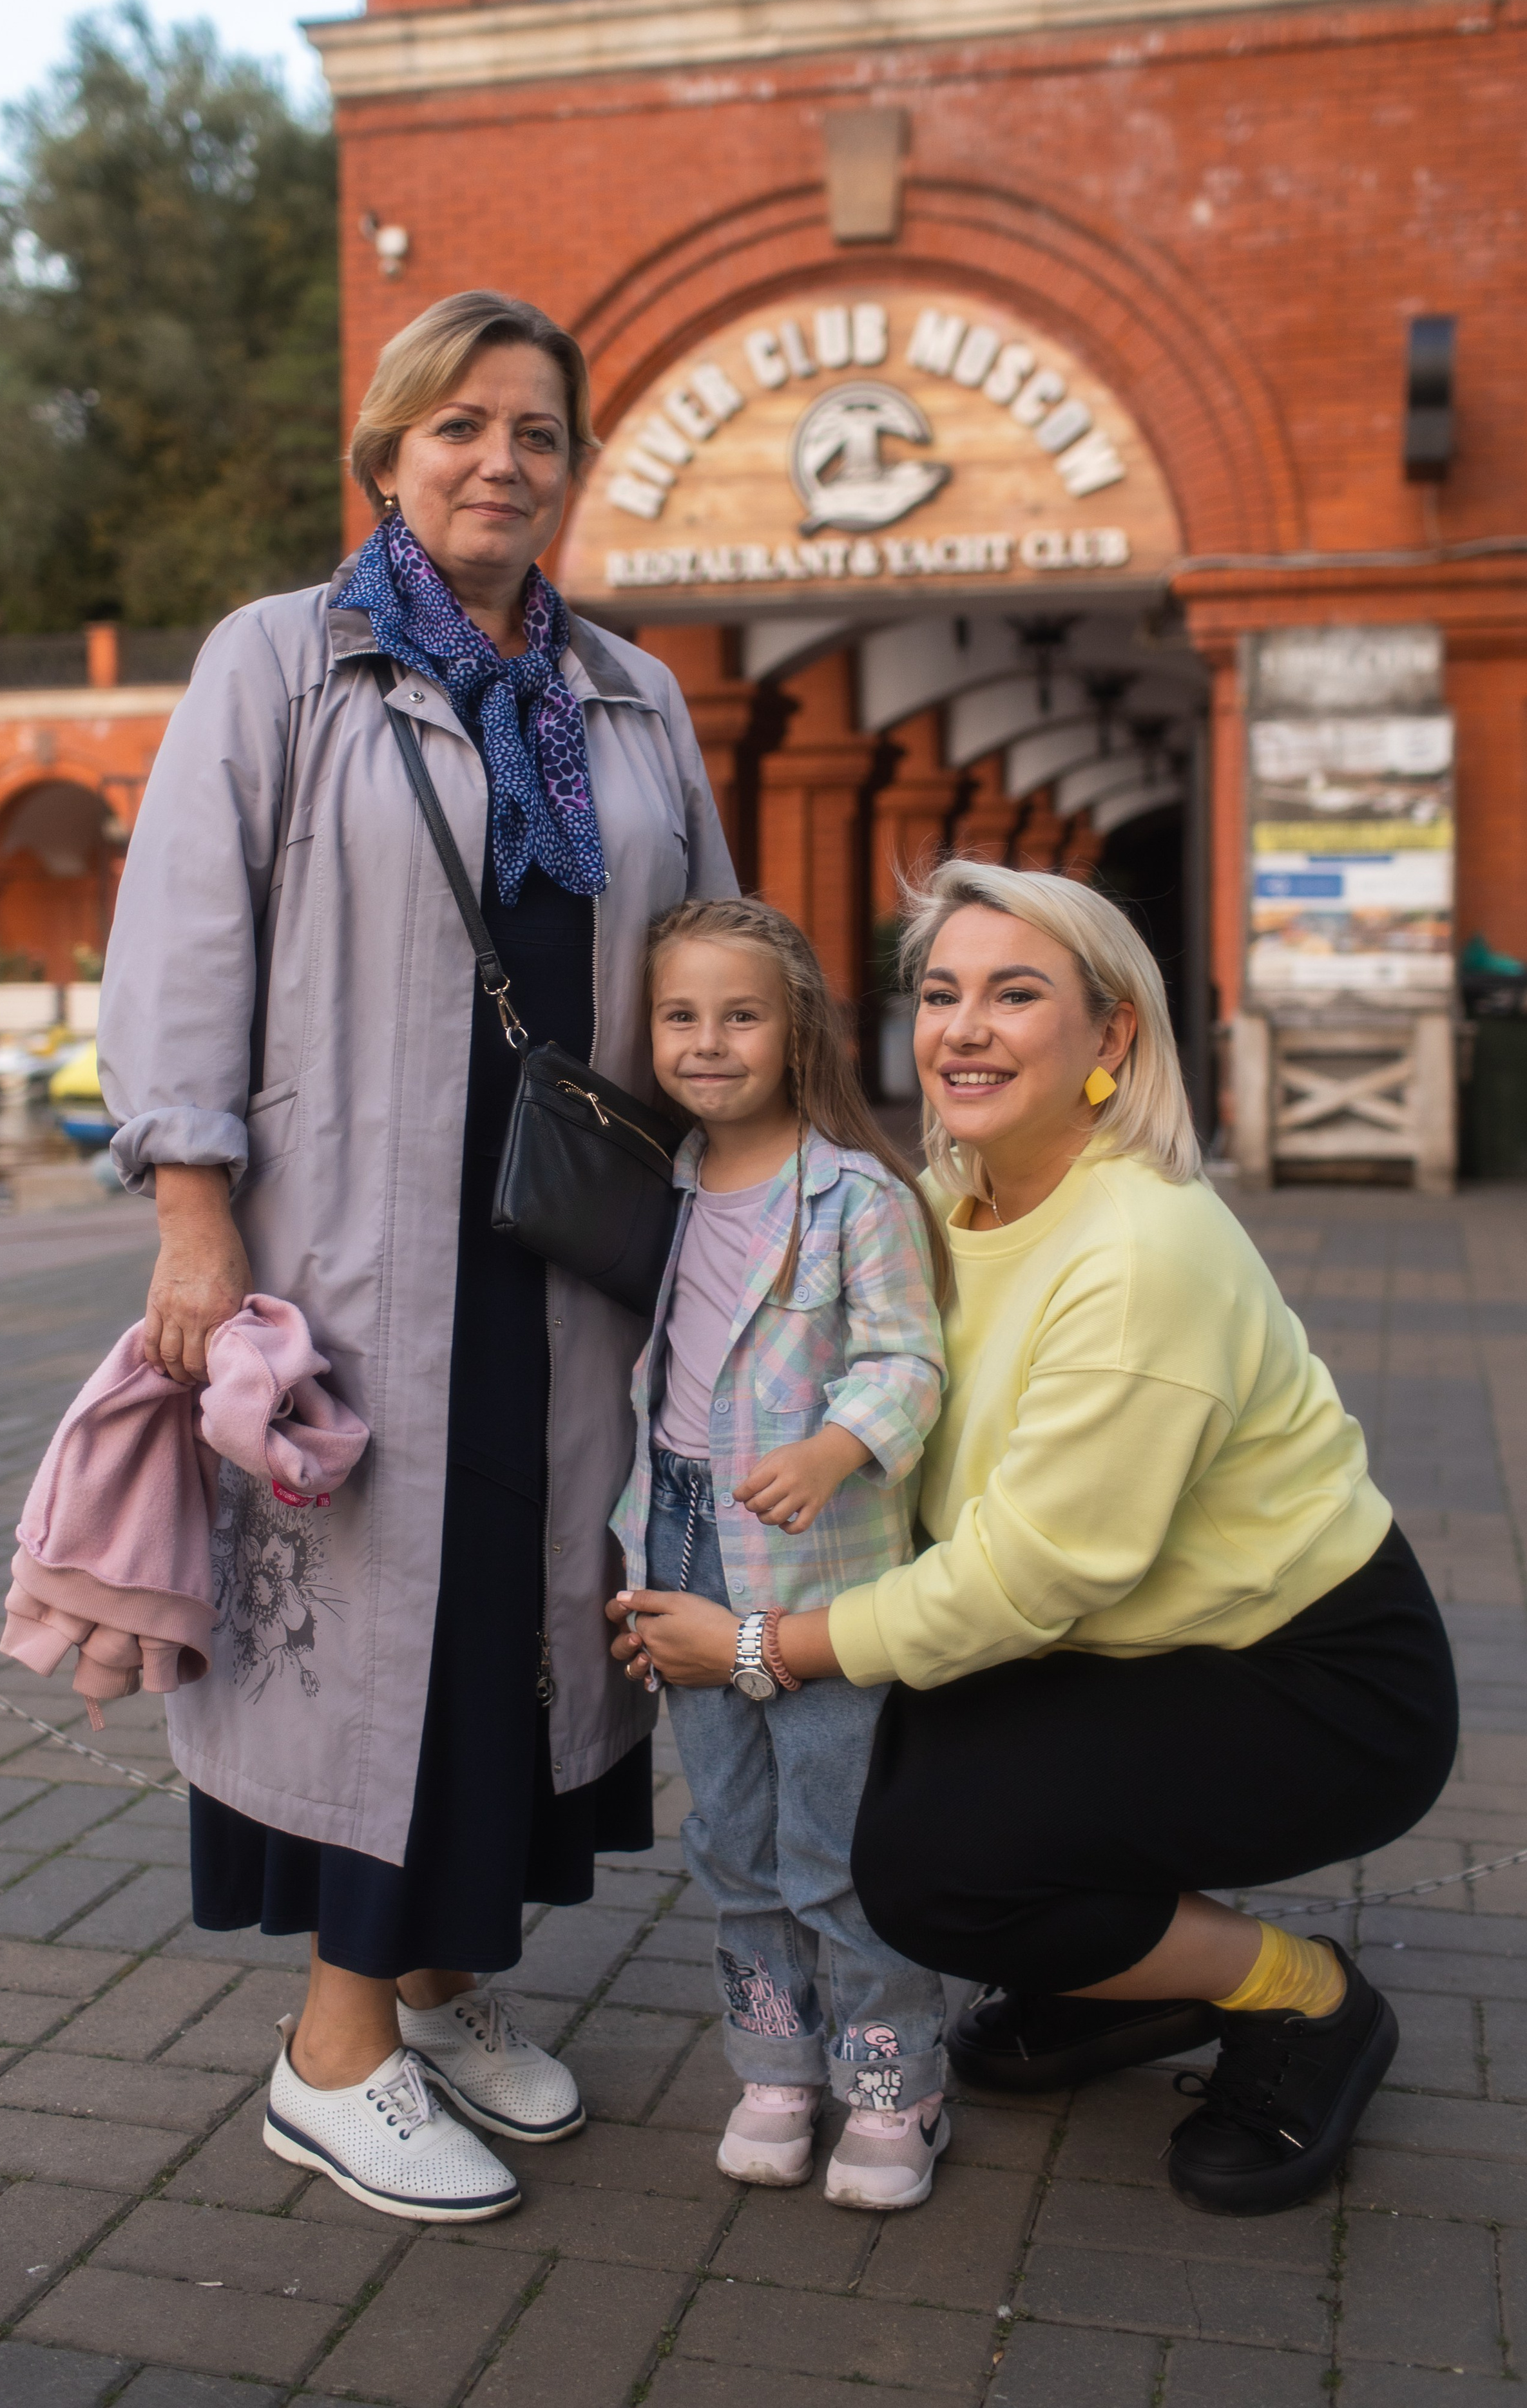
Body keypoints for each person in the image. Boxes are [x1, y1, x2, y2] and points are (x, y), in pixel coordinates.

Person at [97, 290, 736, 2223]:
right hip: (348, 1249)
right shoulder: (286, 662)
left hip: (564, 1244)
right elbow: (186, 941)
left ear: (570, 466)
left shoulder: (630, 695)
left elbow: (709, 947)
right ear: (389, 452)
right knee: (385, 1632)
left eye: (536, 431)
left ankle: (448, 1981)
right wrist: (191, 1210)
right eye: (459, 427)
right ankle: (332, 2049)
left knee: (531, 1617)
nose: (500, 461)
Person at [613, 859, 1458, 2219]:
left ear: (1111, 1034)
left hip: (1310, 1681)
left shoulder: (1139, 1251)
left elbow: (1035, 1573)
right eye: (940, 993)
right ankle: (1098, 1968)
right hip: (1121, 1647)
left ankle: (1298, 1999)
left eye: (1016, 995)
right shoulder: (947, 1193)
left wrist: (765, 1645)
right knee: (894, 1785)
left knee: (925, 1864)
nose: (963, 1028)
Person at [610, 898, 950, 2208]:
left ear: (794, 1025)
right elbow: (642, 1395)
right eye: (679, 1016)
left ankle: (893, 2081)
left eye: (738, 1014)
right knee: (731, 1835)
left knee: (836, 1839)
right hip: (683, 1535)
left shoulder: (853, 1195)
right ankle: (773, 2064)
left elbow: (910, 1361)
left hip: (819, 1565)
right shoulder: (661, 1189)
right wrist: (625, 1553)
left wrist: (835, 1449)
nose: (706, 1042)